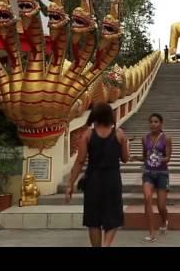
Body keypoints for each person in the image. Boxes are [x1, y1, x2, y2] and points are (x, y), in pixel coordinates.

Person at [66, 102, 130, 247]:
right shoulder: (119, 134)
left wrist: (70, 184)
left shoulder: (88, 135)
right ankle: (106, 245)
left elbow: (80, 161)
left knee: (93, 219)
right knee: (113, 216)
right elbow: (125, 159)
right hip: (112, 179)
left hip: (93, 180)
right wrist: (126, 145)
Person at [131, 113, 173, 243]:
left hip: (162, 174)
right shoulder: (145, 138)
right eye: (151, 122)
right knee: (147, 198)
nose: (153, 124)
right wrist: (136, 158)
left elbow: (168, 158)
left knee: (161, 205)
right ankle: (151, 232)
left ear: (161, 123)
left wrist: (156, 157)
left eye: (156, 122)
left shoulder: (166, 138)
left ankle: (164, 219)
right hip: (148, 173)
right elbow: (145, 156)